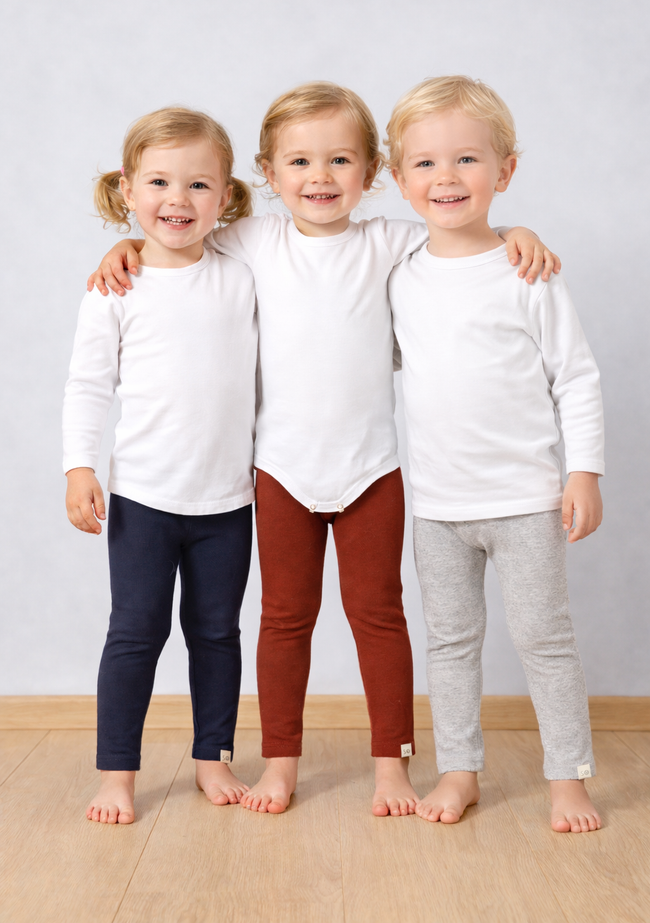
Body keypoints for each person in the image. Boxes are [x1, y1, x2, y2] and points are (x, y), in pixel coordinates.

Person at [90, 81, 558, 817]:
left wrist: (516, 236)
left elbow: (462, 235)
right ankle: (281, 762)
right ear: (268, 176)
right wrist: (125, 244)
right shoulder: (253, 239)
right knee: (284, 617)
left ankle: (391, 766)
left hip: (372, 469)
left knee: (380, 615)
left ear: (372, 172)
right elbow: (178, 230)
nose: (319, 177)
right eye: (299, 162)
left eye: (339, 160)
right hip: (280, 473)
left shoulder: (392, 242)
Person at [387, 75, 604, 832]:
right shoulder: (399, 277)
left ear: (505, 171)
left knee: (545, 638)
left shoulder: (527, 270)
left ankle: (568, 777)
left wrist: (583, 471)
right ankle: (459, 769)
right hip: (438, 505)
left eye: (468, 160)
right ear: (398, 177)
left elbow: (575, 376)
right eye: (425, 164)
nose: (446, 178)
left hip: (526, 499)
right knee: (449, 641)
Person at [64, 107, 258, 824]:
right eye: (159, 182)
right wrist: (79, 465)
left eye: (199, 184)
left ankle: (214, 755)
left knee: (217, 631)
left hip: (228, 501)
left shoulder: (243, 276)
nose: (178, 199)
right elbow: (88, 384)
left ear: (227, 197)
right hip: (144, 497)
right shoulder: (116, 286)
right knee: (136, 630)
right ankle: (117, 771)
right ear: (126, 188)